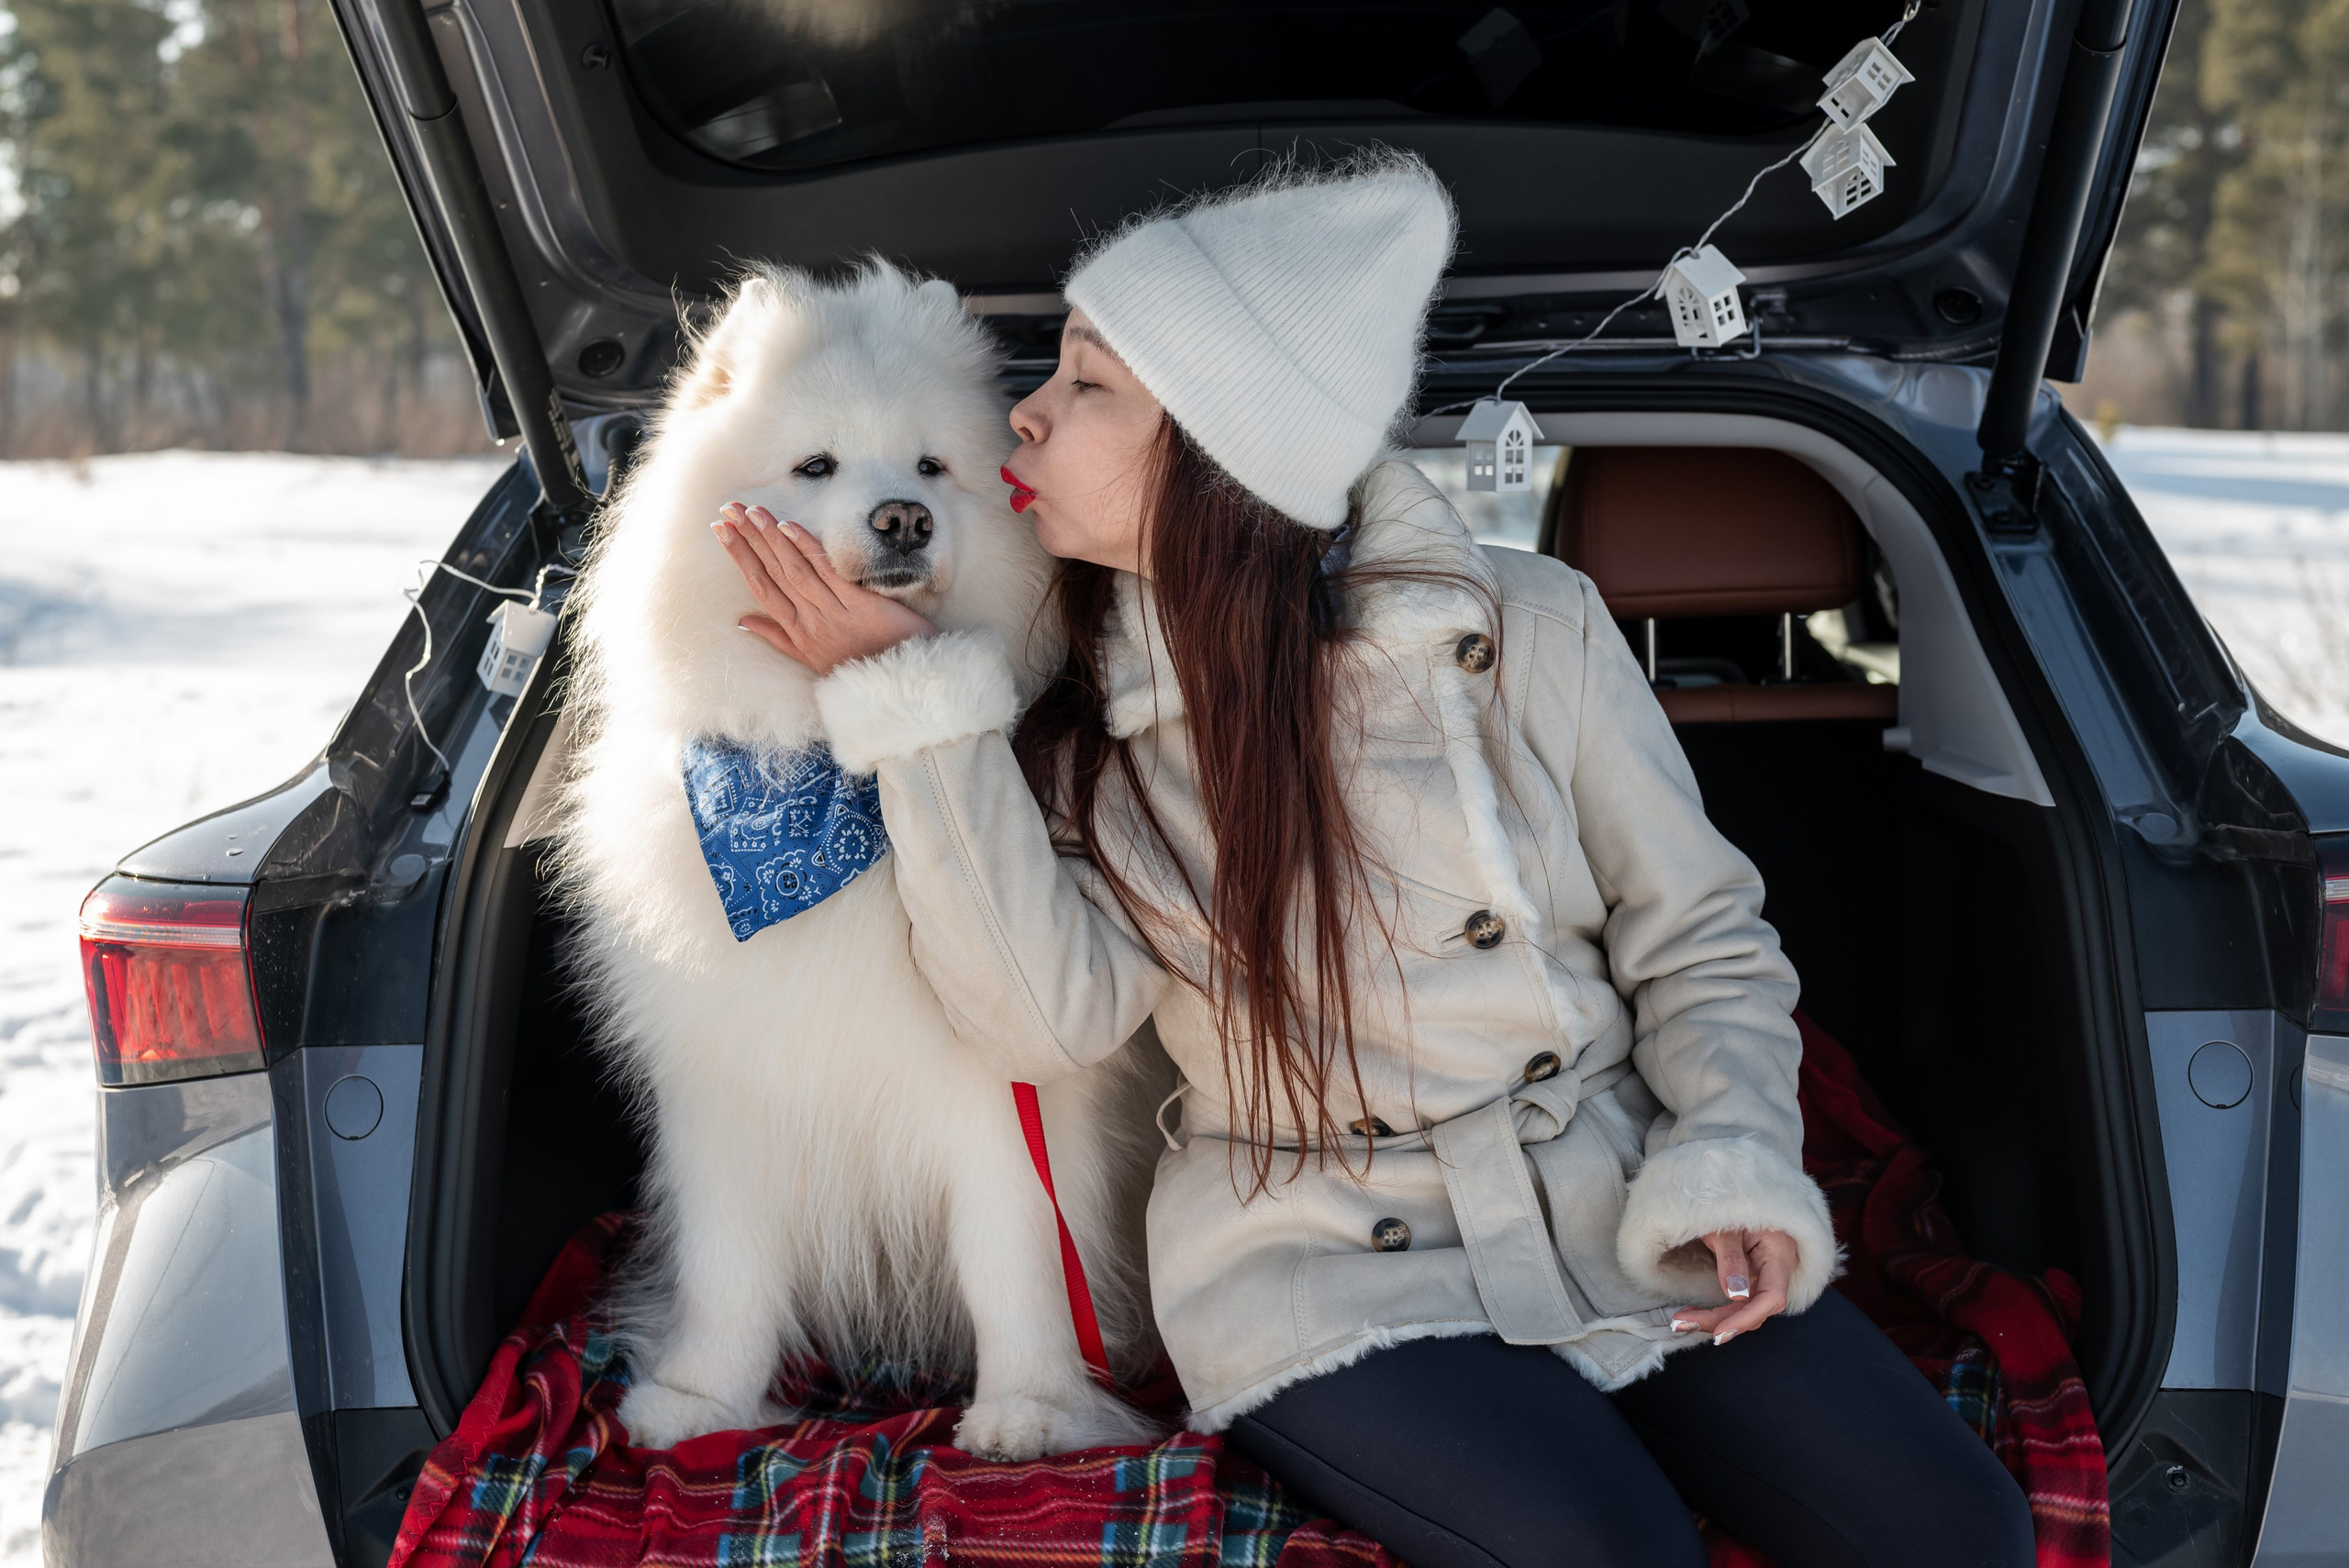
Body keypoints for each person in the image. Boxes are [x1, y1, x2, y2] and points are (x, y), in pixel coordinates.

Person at [711, 152, 2035, 1568]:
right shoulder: (1059, 715)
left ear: (1223, 449)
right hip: (1316, 1258)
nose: (1025, 410)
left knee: (1959, 1528)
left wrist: (1729, 1156)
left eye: (1089, 383)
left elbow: (1701, 938)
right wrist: (921, 720)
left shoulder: (1533, 628)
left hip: (1605, 1197)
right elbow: (1044, 1021)